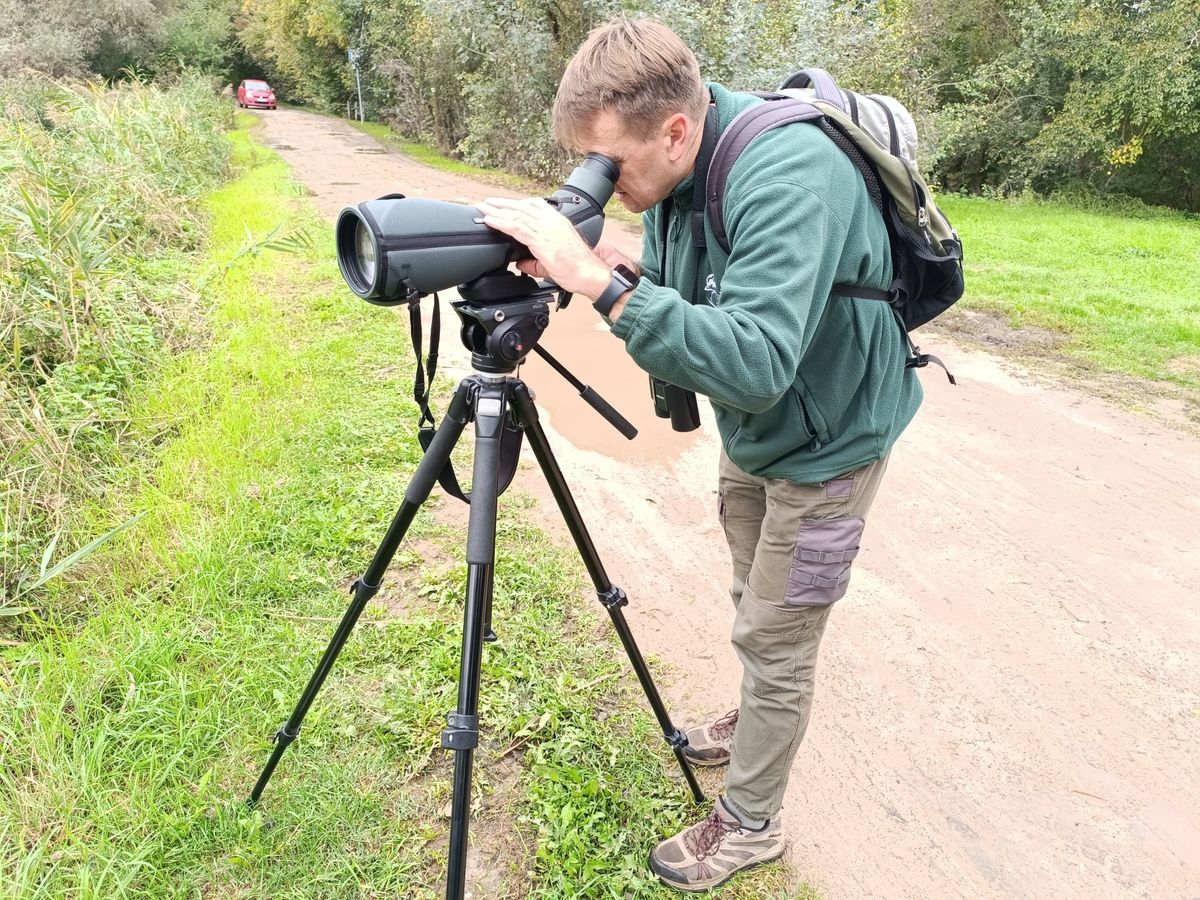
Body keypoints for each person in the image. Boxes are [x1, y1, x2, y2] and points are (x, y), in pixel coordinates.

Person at [477, 16, 922, 894]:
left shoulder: (792, 172)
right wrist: (602, 253)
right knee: (749, 596)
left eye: (614, 164)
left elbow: (755, 360)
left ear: (676, 130)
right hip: (760, 429)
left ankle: (752, 826)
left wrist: (598, 283)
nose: (606, 183)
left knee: (779, 632)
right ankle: (755, 710)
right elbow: (702, 292)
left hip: (830, 445)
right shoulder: (681, 168)